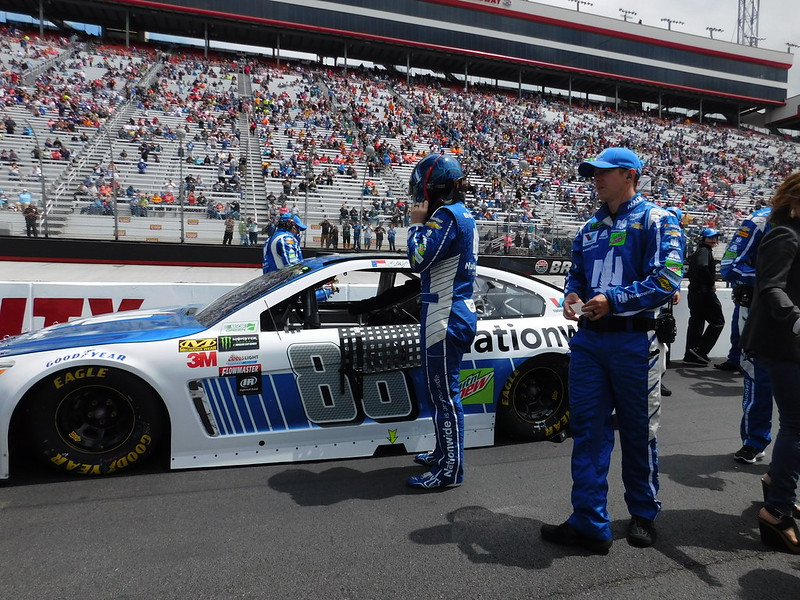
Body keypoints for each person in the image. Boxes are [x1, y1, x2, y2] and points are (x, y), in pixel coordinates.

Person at [540, 147, 684, 553]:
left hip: (635, 342)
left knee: (639, 433)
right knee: (587, 431)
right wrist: (571, 296)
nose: (595, 179)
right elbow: (577, 276)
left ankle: (643, 513)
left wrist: (614, 301)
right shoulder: (589, 227)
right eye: (592, 174)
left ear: (630, 174)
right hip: (589, 341)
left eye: (603, 173)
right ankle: (588, 521)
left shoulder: (658, 219)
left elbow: (668, 278)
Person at [406, 152, 478, 490]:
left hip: (444, 315)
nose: (420, 197)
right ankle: (444, 454)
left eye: (423, 190)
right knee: (440, 395)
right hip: (450, 311)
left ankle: (450, 470)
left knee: (444, 395)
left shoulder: (446, 216)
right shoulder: (462, 214)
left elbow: (418, 260)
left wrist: (416, 223)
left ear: (436, 188)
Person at [740, 171, 800, 554]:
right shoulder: (785, 233)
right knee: (797, 426)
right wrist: (796, 317)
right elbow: (771, 285)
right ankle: (777, 509)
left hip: (789, 343)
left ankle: (778, 484)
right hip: (785, 343)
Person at [720, 207, 774, 464]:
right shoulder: (760, 220)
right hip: (758, 312)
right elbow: (730, 266)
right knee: (758, 376)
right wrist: (776, 282)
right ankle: (754, 441)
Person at [682, 228, 724, 365]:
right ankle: (700, 350)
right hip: (704, 293)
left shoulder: (699, 251)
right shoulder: (705, 251)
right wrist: (711, 283)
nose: (714, 239)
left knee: (696, 322)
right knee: (718, 321)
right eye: (710, 237)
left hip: (694, 292)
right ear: (703, 238)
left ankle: (691, 355)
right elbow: (702, 266)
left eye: (715, 237)